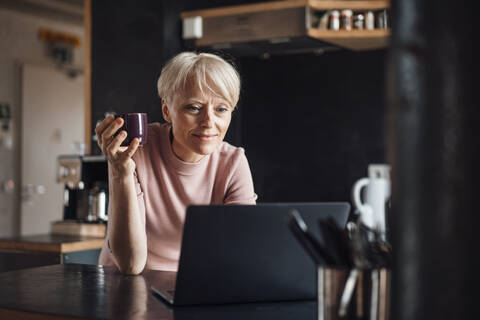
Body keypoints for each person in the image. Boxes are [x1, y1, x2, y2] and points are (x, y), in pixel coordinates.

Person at [96, 52, 257, 275]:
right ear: (166, 111)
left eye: (221, 109)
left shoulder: (233, 162)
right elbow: (131, 264)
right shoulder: (136, 150)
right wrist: (120, 172)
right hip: (124, 286)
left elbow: (244, 250)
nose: (209, 122)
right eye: (193, 107)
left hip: (188, 285)